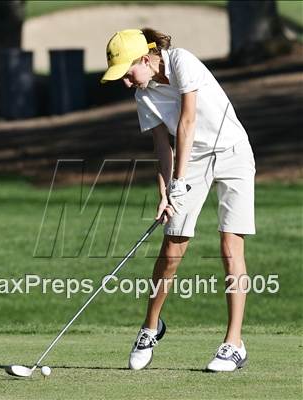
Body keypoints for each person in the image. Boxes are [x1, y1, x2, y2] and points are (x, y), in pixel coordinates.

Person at [101, 28, 256, 372]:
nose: (127, 83)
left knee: (231, 246)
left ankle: (234, 344)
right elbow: (162, 144)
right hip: (192, 161)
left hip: (233, 153)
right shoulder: (143, 95)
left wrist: (179, 181)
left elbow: (187, 121)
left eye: (128, 74)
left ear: (145, 59)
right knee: (172, 247)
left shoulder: (182, 61)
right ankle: (151, 327)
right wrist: (165, 189)